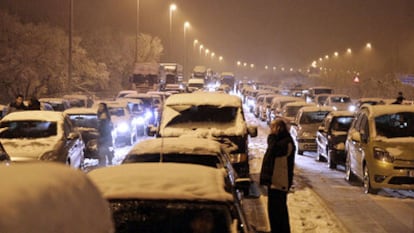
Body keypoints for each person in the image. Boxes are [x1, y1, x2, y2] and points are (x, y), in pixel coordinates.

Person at [260, 119, 296, 233]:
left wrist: (272, 138)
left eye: (272, 128)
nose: (270, 130)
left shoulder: (285, 143)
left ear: (278, 128)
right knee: (275, 212)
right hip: (275, 182)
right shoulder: (282, 141)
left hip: (280, 183)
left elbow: (274, 151)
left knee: (278, 212)